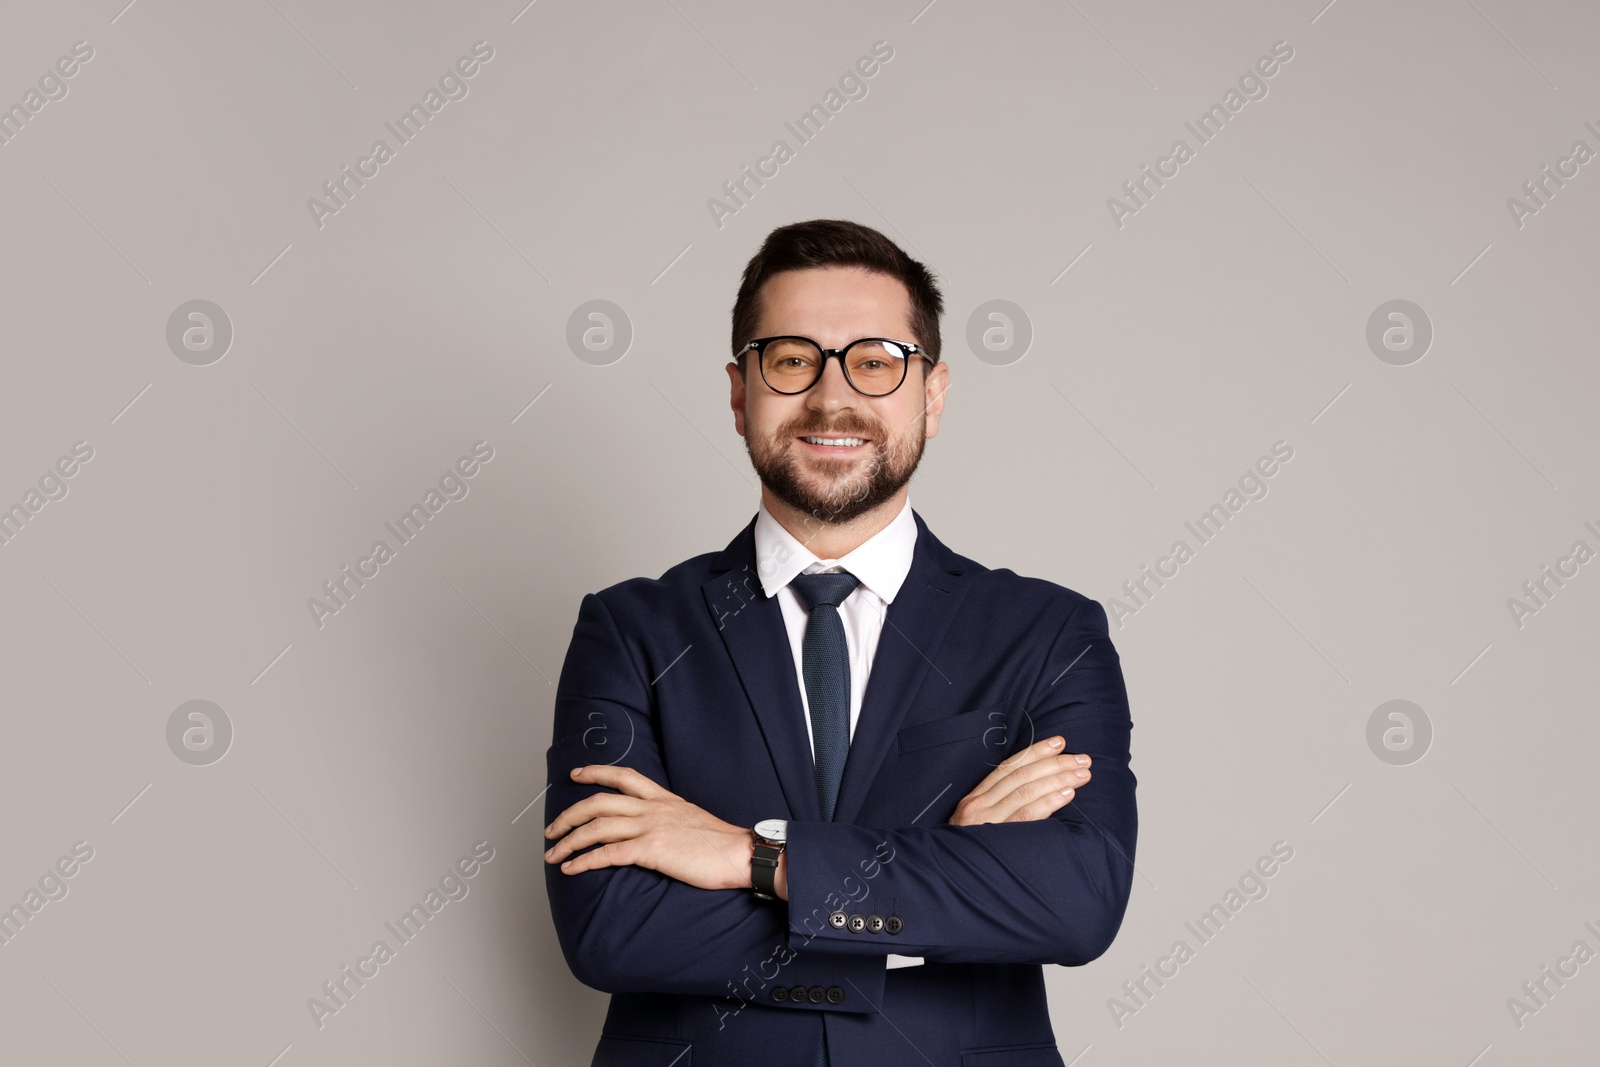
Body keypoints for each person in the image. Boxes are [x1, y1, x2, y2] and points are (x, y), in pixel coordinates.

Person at [542, 218, 1137, 1066]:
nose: (831, 398)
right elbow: (610, 925)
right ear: (740, 390)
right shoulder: (631, 630)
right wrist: (951, 878)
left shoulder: (1049, 633)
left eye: (875, 360)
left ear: (931, 393)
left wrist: (755, 857)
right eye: (791, 359)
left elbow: (1075, 902)